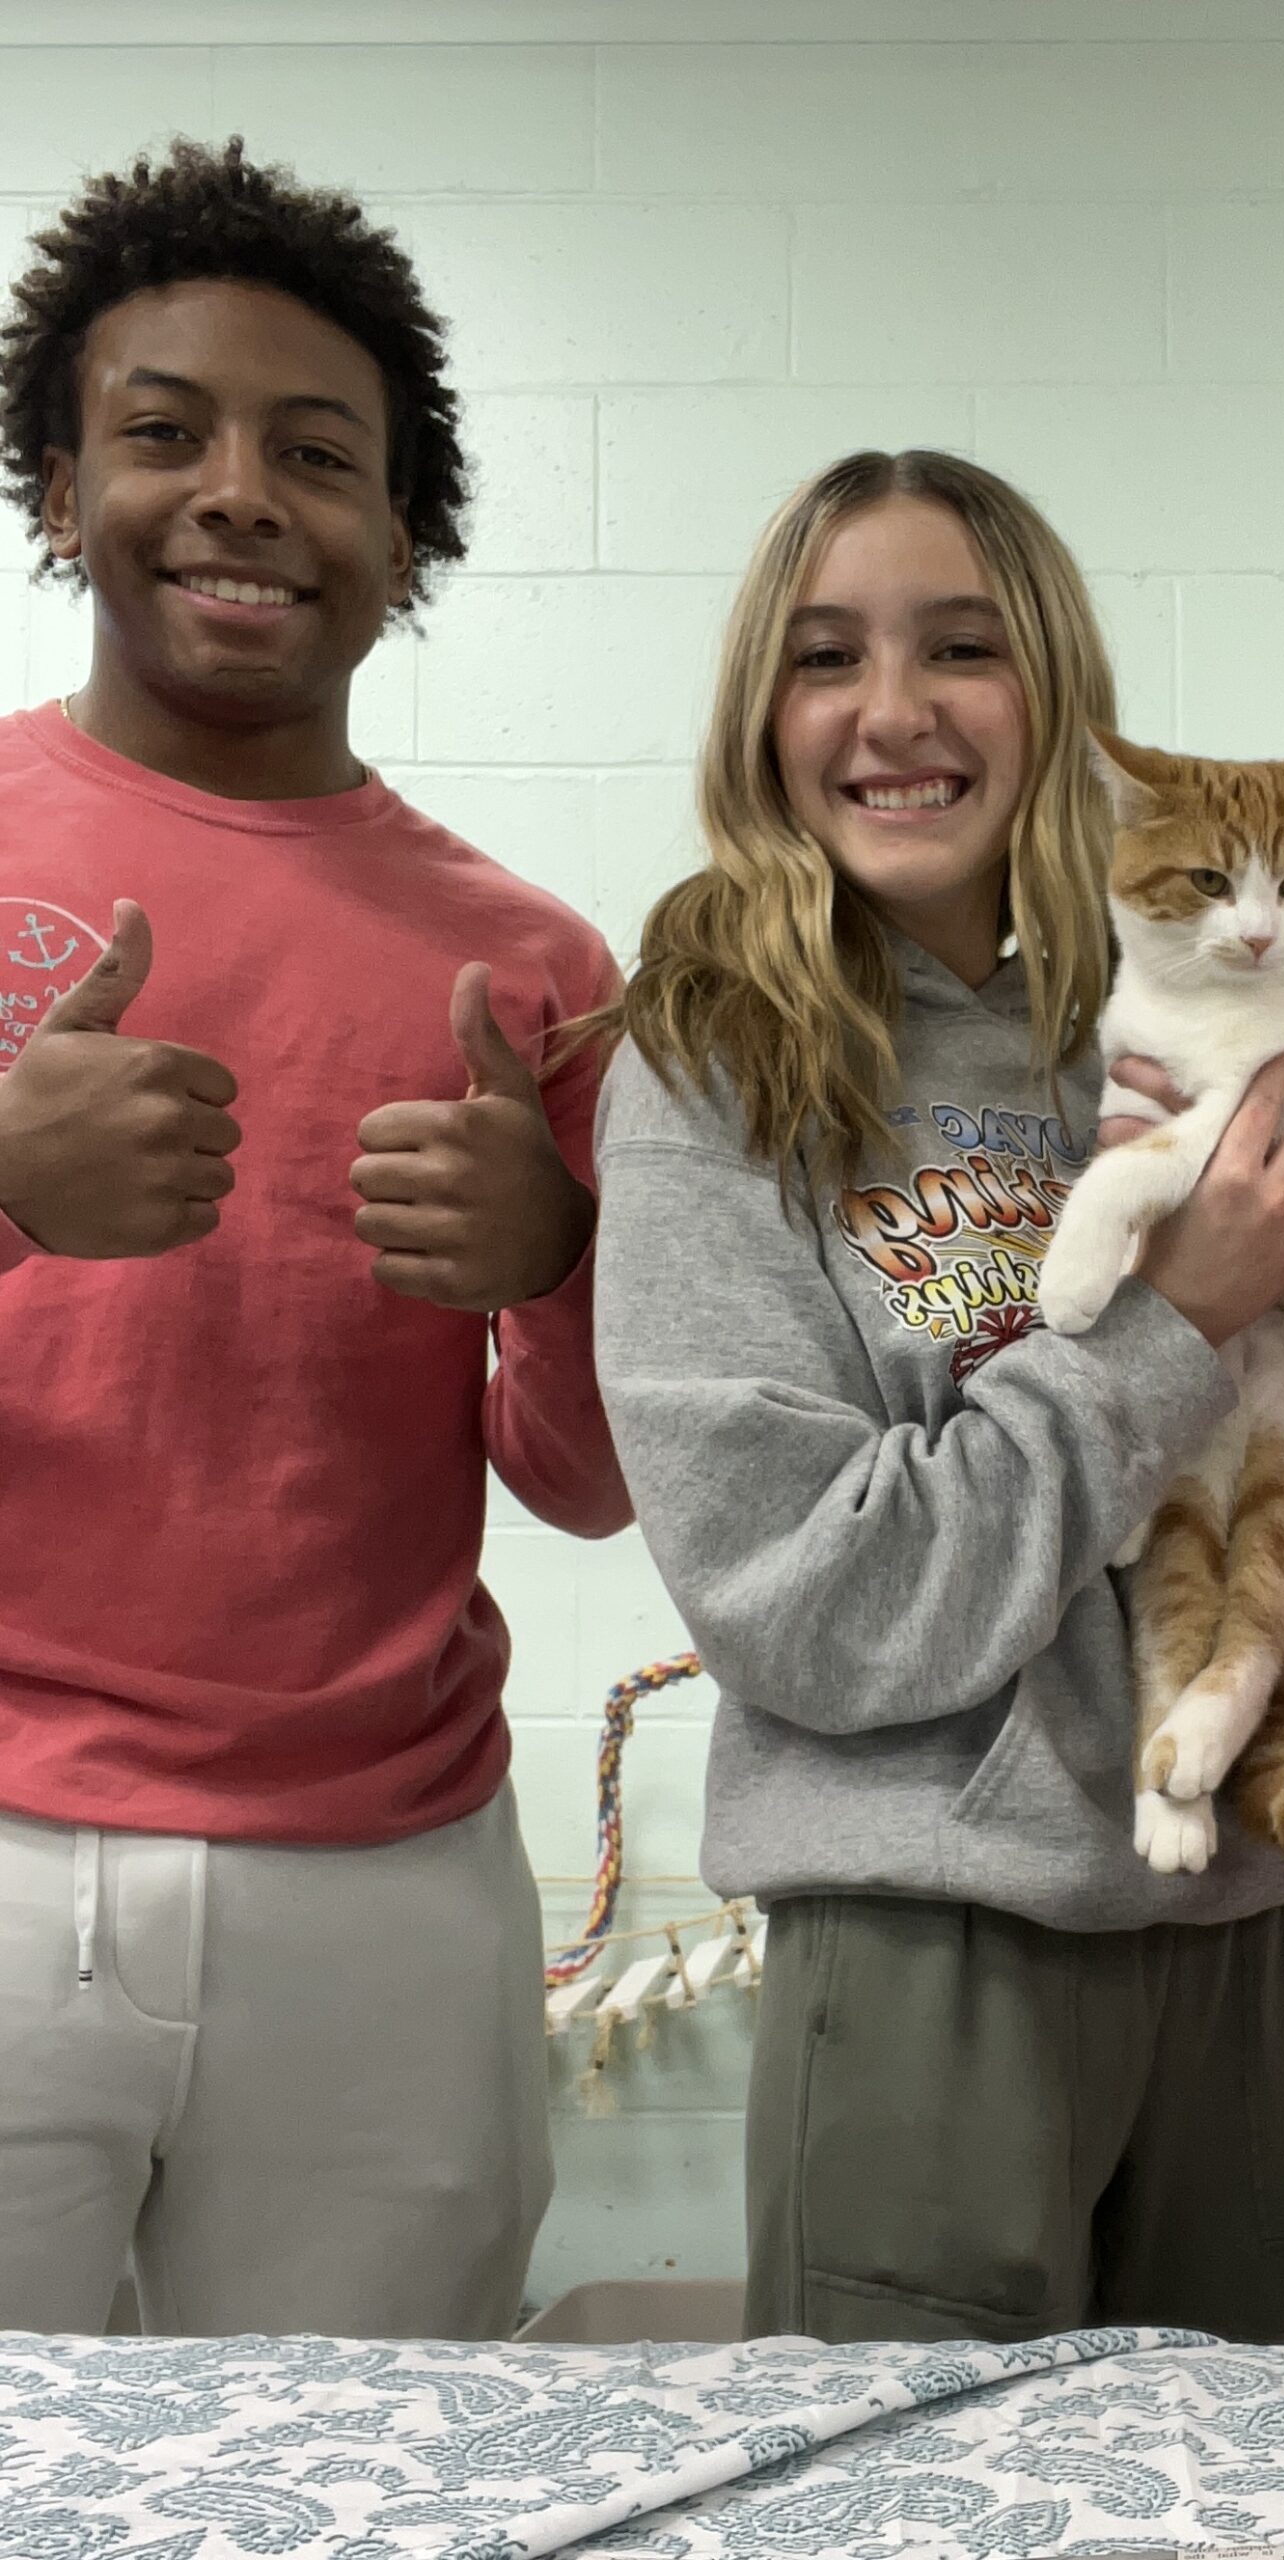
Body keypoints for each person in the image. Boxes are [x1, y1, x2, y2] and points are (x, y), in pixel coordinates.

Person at [592, 447, 1284, 2345]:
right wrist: (1172, 1326)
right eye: (826, 656)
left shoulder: (1214, 1020)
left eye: (961, 649)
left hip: (1257, 1926)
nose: (892, 712)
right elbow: (805, 1607)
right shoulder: (712, 1067)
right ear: (763, 715)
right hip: (928, 1944)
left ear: (1057, 699)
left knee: (1240, 2521)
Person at [0, 140, 631, 2337]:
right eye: (163, 432)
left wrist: (557, 1253)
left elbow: (584, 1473)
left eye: (320, 454)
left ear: (406, 535)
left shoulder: (533, 961)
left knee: (372, 2490)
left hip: (385, 1884)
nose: (242, 492)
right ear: (62, 491)